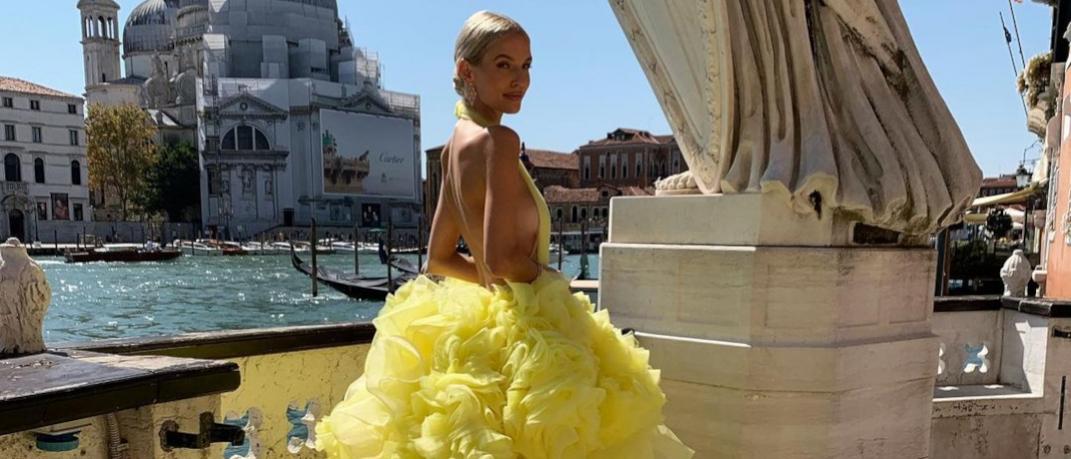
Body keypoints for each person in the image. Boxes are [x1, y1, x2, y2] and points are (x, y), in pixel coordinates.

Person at [315, 11, 692, 458]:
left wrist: (496, 285)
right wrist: (544, 279)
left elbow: (438, 259)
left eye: (527, 65)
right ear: (465, 71)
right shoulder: (499, 141)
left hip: (486, 318)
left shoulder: (454, 146)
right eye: (504, 64)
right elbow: (499, 261)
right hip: (525, 328)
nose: (520, 80)